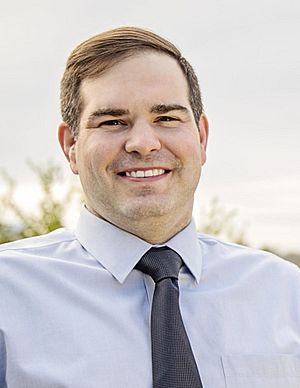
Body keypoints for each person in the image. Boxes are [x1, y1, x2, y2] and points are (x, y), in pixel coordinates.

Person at [0, 26, 299, 388]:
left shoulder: (285, 294)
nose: (142, 143)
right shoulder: (8, 294)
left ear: (201, 138)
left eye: (167, 118)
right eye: (113, 121)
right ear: (70, 147)